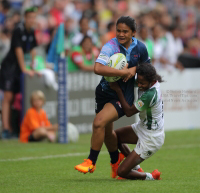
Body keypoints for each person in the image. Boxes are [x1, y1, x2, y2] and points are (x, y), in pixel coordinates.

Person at [74, 16, 150, 177]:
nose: (121, 34)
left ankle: (91, 161)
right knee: (107, 132)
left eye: (125, 31)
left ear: (133, 33)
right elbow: (97, 68)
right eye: (118, 30)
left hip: (122, 96)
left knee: (98, 123)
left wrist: (134, 70)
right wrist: (124, 71)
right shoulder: (110, 46)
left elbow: (148, 68)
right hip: (103, 92)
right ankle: (116, 161)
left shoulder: (140, 48)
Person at [109, 63, 165, 180]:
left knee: (121, 171)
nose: (139, 85)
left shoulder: (150, 94)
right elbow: (131, 79)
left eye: (142, 83)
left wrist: (118, 90)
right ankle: (136, 168)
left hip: (152, 138)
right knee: (114, 137)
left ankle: (151, 176)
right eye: (138, 82)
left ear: (151, 81)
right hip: (143, 127)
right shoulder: (146, 81)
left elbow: (129, 112)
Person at [0, 7, 37, 139]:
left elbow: (33, 50)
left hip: (19, 69)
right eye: (30, 17)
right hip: (10, 68)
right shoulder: (18, 30)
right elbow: (18, 50)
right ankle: (5, 129)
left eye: (34, 17)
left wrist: (35, 65)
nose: (32, 20)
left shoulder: (32, 31)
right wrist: (24, 69)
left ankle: (14, 128)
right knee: (8, 98)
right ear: (25, 18)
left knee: (17, 99)